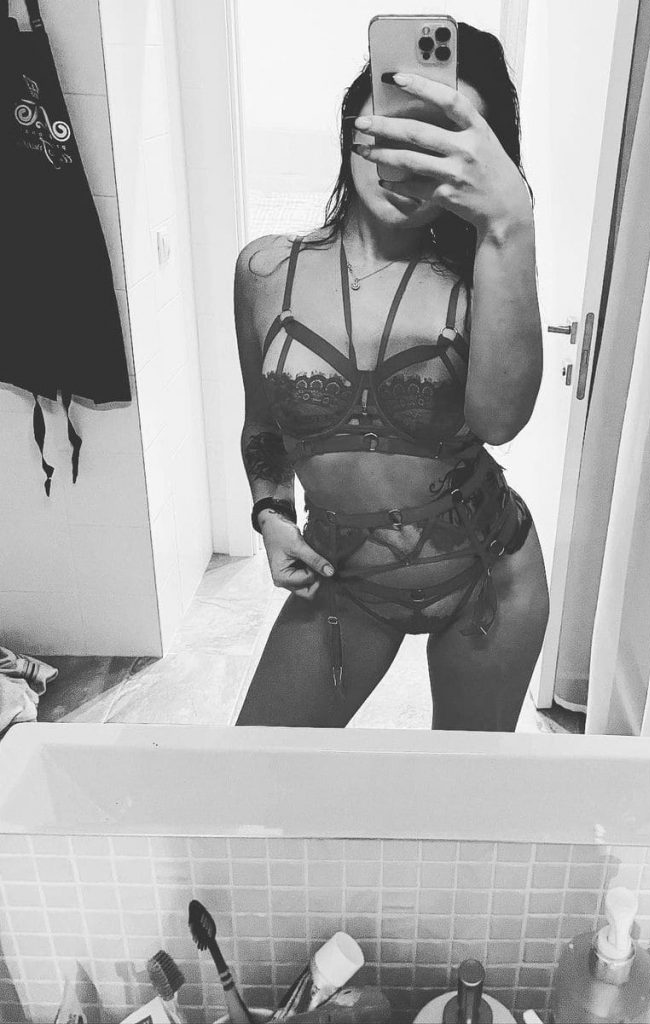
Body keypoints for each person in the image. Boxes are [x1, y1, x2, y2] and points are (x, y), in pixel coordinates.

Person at [234, 23, 549, 730]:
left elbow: (499, 422)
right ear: (355, 124)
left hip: (490, 576)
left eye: (444, 144)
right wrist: (271, 517)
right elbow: (263, 424)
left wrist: (512, 225)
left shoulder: (480, 278)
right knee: (256, 774)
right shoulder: (265, 273)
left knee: (462, 787)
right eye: (403, 129)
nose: (413, 163)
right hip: (344, 578)